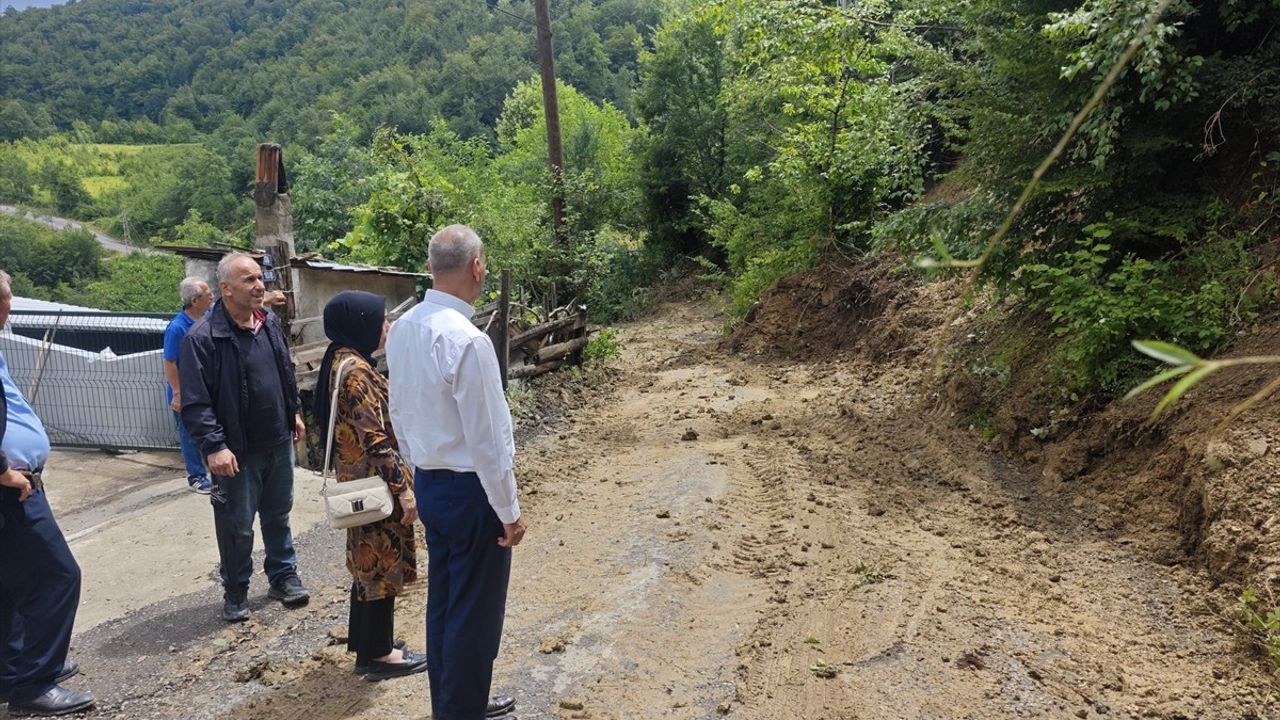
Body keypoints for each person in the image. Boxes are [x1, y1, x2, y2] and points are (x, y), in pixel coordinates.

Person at [387, 225, 525, 720]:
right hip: (471, 491)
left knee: (445, 603)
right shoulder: (468, 340)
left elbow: (398, 411)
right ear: (477, 267)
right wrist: (509, 509)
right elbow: (489, 440)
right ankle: (461, 710)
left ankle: (450, 705)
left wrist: (416, 472)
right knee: (475, 614)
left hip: (431, 482)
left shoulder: (403, 328)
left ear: (430, 268)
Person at [179, 253, 309, 622]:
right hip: (236, 451)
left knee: (278, 514)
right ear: (225, 288)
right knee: (236, 524)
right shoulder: (202, 338)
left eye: (259, 278)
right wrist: (214, 446)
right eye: (249, 280)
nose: (259, 286)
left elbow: (284, 371)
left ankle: (283, 576)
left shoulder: (267, 323)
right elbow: (195, 402)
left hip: (277, 440)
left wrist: (293, 410)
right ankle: (236, 590)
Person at [313, 291, 427, 681]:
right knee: (381, 566)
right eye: (381, 320)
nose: (387, 327)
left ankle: (369, 646)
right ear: (360, 324)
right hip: (375, 483)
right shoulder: (356, 372)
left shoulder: (341, 360)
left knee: (367, 565)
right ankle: (379, 655)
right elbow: (375, 439)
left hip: (359, 481)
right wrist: (403, 488)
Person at [0, 270, 94, 716]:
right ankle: (35, 682)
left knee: (10, 585)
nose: (11, 306)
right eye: (7, 297)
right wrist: (4, 471)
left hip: (18, 482)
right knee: (58, 576)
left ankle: (12, 673)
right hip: (12, 489)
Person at [163, 276, 214, 494]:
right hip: (185, 390)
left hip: (204, 387)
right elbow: (170, 362)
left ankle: (212, 470)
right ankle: (196, 476)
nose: (212, 296)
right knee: (189, 433)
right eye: (207, 294)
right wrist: (177, 393)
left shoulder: (207, 317)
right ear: (194, 300)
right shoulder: (177, 328)